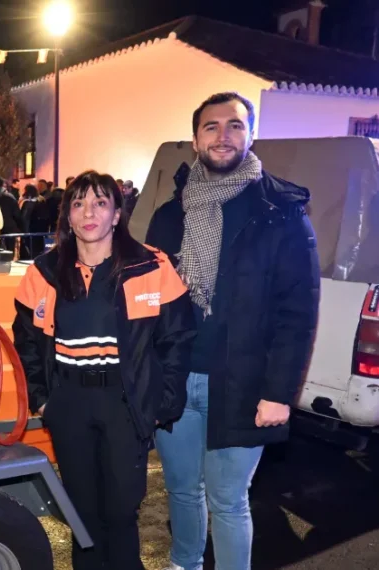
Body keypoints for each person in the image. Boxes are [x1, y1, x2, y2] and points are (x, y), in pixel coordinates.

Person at [145, 92, 320, 570]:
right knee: (181, 490)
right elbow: (146, 303)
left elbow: (298, 312)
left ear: (251, 134)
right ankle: (184, 563)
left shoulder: (281, 212)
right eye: (211, 126)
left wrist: (279, 392)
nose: (223, 135)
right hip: (177, 380)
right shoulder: (170, 215)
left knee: (227, 500)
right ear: (195, 139)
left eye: (235, 126)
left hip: (244, 386)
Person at [13, 170, 195, 570]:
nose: (88, 212)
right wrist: (43, 399)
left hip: (124, 404)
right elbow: (25, 341)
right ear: (68, 217)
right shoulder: (43, 272)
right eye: (78, 204)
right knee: (83, 512)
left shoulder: (150, 266)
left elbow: (178, 338)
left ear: (116, 214)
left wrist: (162, 400)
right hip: (69, 404)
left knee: (121, 510)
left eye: (99, 202)